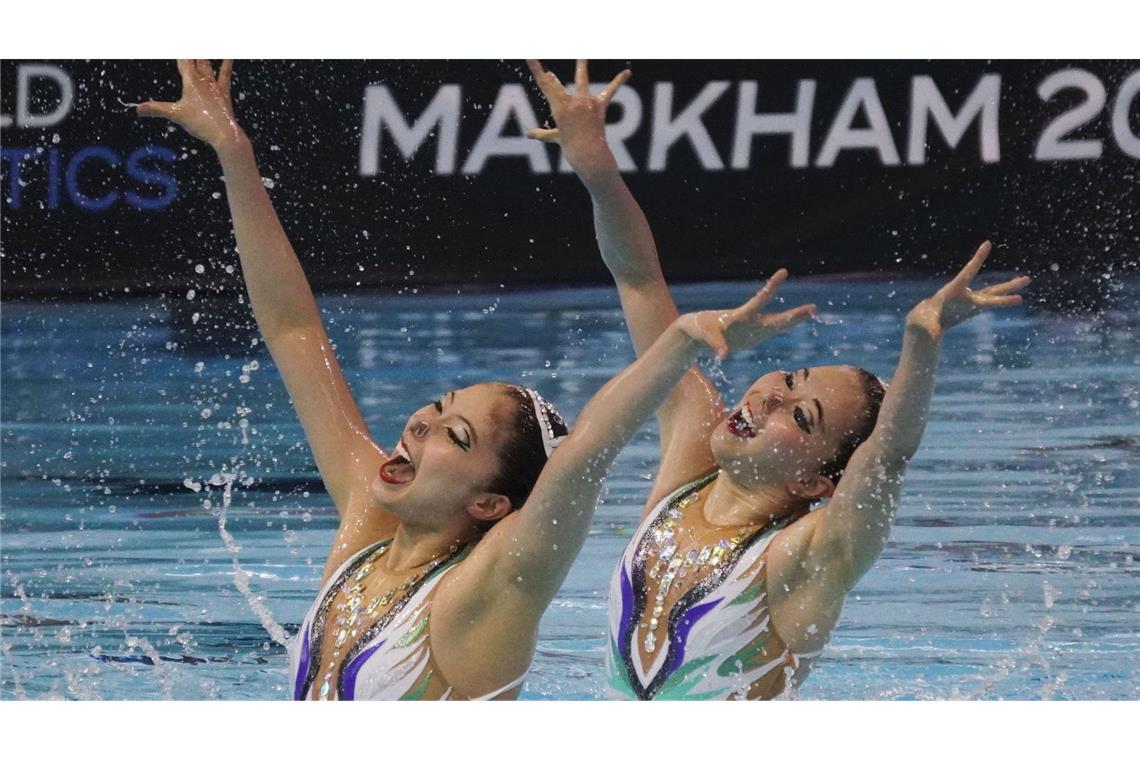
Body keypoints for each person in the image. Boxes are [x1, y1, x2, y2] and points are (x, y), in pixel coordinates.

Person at [137, 60, 816, 700]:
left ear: (491, 504)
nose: (418, 426)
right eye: (433, 411)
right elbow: (293, 330)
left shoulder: (487, 593)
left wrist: (677, 344)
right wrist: (234, 153)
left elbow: (588, 451)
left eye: (454, 436)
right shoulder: (367, 525)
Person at [528, 59, 1031, 700]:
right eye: (788, 379)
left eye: (800, 416)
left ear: (814, 481)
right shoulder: (688, 466)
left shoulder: (808, 558)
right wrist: (596, 171)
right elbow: (639, 281)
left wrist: (921, 340)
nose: (770, 396)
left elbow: (888, 455)